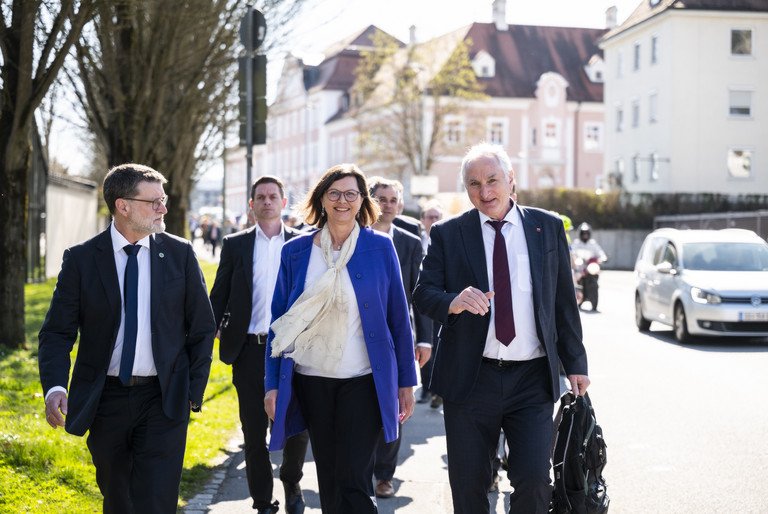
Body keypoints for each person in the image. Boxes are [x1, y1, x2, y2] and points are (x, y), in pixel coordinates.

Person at [413, 143, 590, 513]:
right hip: (471, 379)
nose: (485, 191)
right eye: (474, 184)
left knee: (535, 481)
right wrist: (454, 301)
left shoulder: (547, 227)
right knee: (469, 483)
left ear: (511, 179)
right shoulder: (449, 233)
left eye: (493, 180)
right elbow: (423, 294)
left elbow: (562, 302)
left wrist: (576, 362)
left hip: (531, 378)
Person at [38, 163, 216, 513]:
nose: (163, 208)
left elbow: (202, 328)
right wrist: (56, 387)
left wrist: (191, 393)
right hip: (106, 399)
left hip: (163, 399)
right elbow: (57, 332)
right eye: (154, 202)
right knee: (118, 497)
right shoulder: (82, 259)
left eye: (163, 200)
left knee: (156, 499)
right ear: (123, 205)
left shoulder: (179, 254)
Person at [264, 163, 418, 514]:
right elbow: (280, 323)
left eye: (351, 193)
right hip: (310, 381)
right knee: (329, 477)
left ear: (363, 200)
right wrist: (272, 384)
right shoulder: (296, 252)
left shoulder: (380, 248)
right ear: (321, 199)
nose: (342, 200)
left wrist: (405, 383)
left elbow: (398, 316)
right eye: (334, 193)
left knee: (354, 478)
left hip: (362, 382)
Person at [209, 176, 309, 514]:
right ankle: (263, 502)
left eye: (273, 196)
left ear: (283, 202)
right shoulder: (235, 244)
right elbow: (219, 294)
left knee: (296, 424)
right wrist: (214, 328)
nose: (266, 202)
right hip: (250, 350)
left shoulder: (303, 242)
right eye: (260, 197)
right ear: (251, 204)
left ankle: (292, 481)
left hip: (294, 350)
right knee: (253, 433)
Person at [368, 177, 432, 499]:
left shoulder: (409, 243)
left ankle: (384, 475)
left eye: (393, 200)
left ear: (401, 205)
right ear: (370, 201)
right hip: (359, 336)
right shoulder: (354, 237)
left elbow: (418, 294)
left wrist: (425, 340)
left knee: (397, 404)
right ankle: (360, 468)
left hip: (397, 336)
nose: (388, 205)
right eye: (382, 199)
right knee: (362, 404)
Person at [417, 199, 444, 406]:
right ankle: (427, 389)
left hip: (443, 301)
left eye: (437, 217)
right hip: (422, 301)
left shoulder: (446, 239)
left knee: (439, 345)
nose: (433, 220)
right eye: (430, 216)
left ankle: (438, 389)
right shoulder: (415, 242)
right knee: (425, 344)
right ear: (422, 220)